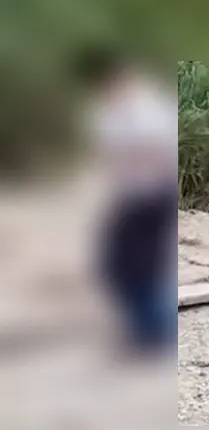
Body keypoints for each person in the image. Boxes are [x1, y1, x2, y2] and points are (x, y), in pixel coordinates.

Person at [75, 46, 178, 359]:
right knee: (114, 266)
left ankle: (156, 333)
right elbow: (105, 156)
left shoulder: (148, 108)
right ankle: (148, 330)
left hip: (154, 196)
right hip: (130, 197)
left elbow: (158, 152)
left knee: (139, 267)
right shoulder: (107, 112)